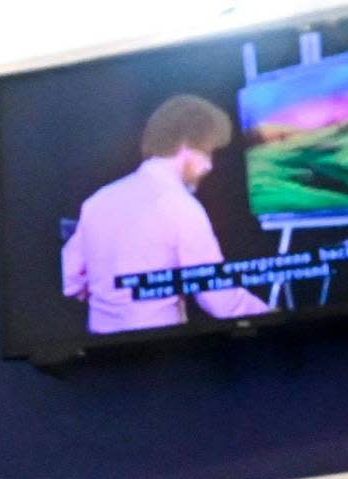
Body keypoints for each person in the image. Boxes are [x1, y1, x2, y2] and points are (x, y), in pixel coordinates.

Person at [62, 94, 270, 335]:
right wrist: (271, 315)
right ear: (185, 145)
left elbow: (70, 279)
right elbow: (217, 297)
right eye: (207, 152)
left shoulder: (97, 201)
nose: (209, 166)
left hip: (99, 355)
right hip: (158, 355)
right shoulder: (180, 206)